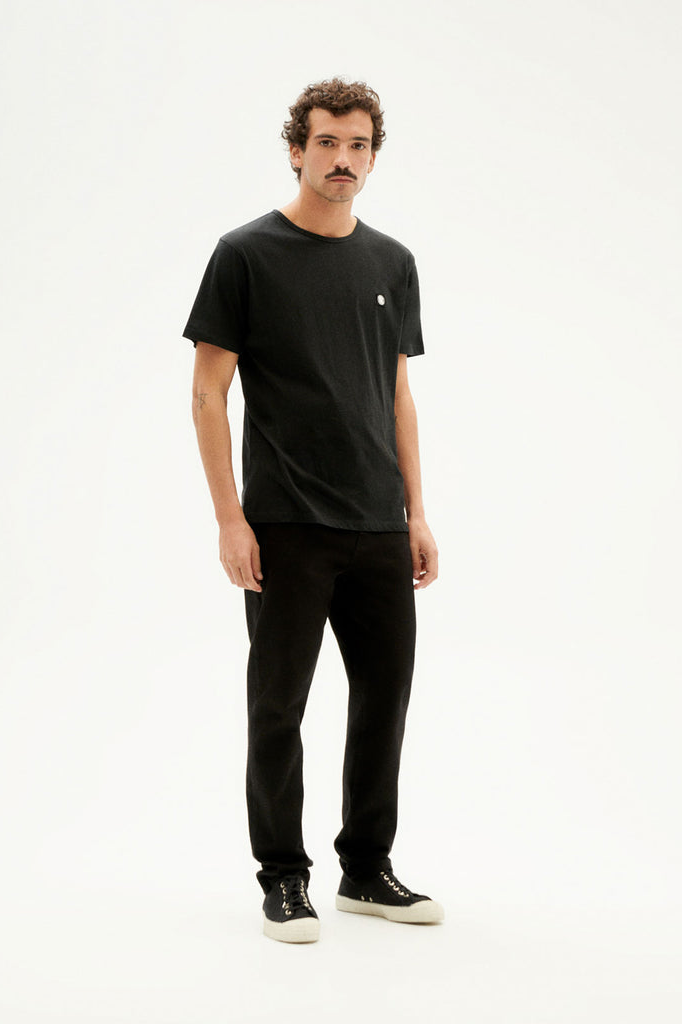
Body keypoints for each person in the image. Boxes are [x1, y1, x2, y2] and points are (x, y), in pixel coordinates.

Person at [183, 78, 442, 943]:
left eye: (357, 145)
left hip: (377, 523)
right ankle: (284, 879)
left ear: (372, 156)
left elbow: (397, 394)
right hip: (286, 524)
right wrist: (230, 519)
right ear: (296, 149)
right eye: (326, 142)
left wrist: (415, 511)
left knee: (383, 702)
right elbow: (208, 394)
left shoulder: (391, 262)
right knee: (277, 707)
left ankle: (365, 871)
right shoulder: (244, 255)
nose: (342, 159)